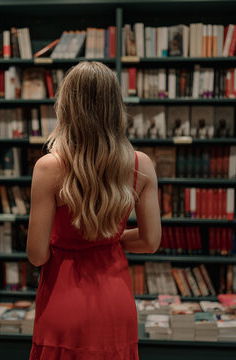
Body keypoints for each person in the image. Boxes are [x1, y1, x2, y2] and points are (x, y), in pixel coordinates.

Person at [27, 61, 161, 359]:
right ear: (115, 106)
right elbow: (151, 242)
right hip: (115, 305)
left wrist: (71, 244)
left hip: (63, 302)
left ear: (66, 105)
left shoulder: (49, 168)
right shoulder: (141, 165)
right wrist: (108, 240)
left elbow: (36, 254)